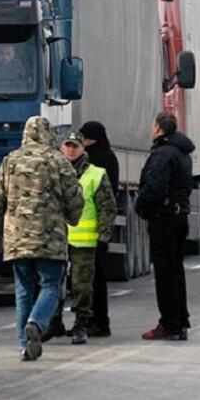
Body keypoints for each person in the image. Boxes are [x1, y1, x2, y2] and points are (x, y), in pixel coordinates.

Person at [0, 116, 84, 362]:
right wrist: (72, 218)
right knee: (50, 285)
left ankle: (23, 344)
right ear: (49, 135)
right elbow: (75, 199)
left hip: (17, 239)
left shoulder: (10, 161)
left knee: (23, 290)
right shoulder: (58, 161)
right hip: (50, 238)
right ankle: (37, 324)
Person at [136, 112, 195, 341]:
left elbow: (155, 188)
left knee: (164, 273)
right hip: (180, 215)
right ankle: (180, 321)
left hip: (164, 217)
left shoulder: (162, 154)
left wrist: (141, 206)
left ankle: (169, 324)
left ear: (159, 128)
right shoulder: (182, 152)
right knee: (176, 270)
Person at [54, 131, 117, 345]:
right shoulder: (54, 172)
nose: (71, 150)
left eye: (75, 146)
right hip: (57, 240)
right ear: (62, 148)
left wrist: (104, 236)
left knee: (82, 286)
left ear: (83, 149)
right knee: (53, 284)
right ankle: (54, 322)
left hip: (85, 241)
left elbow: (107, 208)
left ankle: (81, 324)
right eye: (68, 146)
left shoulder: (96, 174)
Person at [79, 121, 120, 337]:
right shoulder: (109, 157)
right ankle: (98, 320)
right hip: (98, 228)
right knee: (95, 278)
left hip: (92, 229)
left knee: (93, 279)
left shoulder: (94, 162)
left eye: (84, 138)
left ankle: (98, 321)